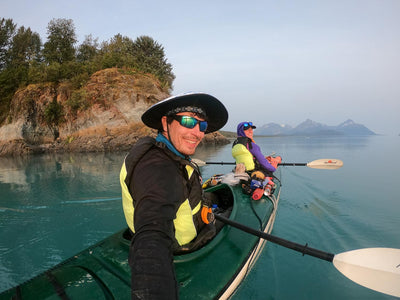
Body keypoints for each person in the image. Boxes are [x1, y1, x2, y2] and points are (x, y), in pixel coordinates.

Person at [120, 92, 228, 299]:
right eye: (188, 121)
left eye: (202, 126)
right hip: (183, 247)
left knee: (215, 201)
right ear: (165, 123)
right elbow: (152, 235)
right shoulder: (157, 167)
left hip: (189, 224)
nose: (197, 132)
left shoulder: (162, 153)